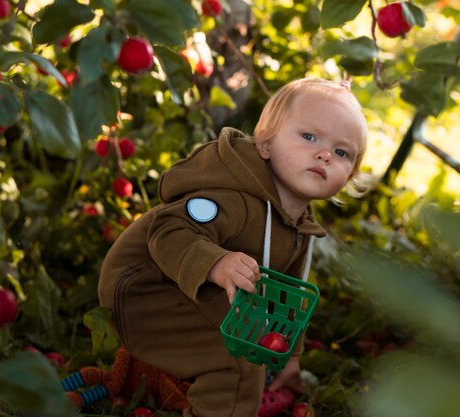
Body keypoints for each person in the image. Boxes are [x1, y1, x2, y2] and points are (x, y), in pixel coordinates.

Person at [98, 76, 369, 417]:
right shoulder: (235, 200)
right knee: (239, 357)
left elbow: (288, 297)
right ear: (266, 144)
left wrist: (289, 355)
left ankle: (184, 379)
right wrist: (216, 263)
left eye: (341, 152)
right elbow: (167, 229)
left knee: (250, 339)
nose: (324, 154)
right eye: (309, 136)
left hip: (188, 292)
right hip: (144, 290)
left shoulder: (299, 225)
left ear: (351, 174)